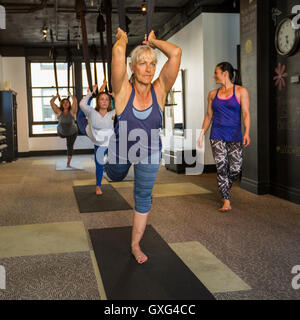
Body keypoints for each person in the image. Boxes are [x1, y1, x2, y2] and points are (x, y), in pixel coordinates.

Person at [104, 28, 181, 264]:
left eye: (152, 63)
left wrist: (155, 42)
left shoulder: (160, 89)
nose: (148, 68)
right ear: (132, 68)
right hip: (121, 150)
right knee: (115, 177)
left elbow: (176, 53)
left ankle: (135, 244)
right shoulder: (122, 91)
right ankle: (111, 165)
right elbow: (118, 53)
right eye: (142, 63)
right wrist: (123, 39)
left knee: (143, 196)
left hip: (150, 151)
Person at [197, 62, 251, 212]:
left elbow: (246, 113)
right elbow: (209, 116)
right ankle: (226, 200)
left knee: (235, 169)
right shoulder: (213, 94)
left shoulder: (241, 91)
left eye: (216, 73)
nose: (214, 75)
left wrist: (247, 132)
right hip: (217, 134)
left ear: (225, 73)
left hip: (234, 135)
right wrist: (201, 133)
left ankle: (224, 187)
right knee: (221, 167)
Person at [78, 80, 115, 195]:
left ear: (109, 102)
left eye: (107, 99)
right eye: (101, 99)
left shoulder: (113, 113)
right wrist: (90, 94)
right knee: (80, 115)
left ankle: (98, 185)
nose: (104, 102)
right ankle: (98, 186)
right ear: (98, 102)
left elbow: (125, 106)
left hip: (105, 142)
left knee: (99, 164)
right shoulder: (92, 112)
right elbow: (82, 105)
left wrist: (115, 96)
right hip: (88, 130)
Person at [50, 93, 78, 167]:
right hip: (61, 132)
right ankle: (60, 131)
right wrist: (56, 96)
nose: (65, 104)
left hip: (72, 132)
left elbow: (75, 101)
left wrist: (71, 95)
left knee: (70, 146)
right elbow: (51, 102)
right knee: (61, 131)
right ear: (61, 104)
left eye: (67, 102)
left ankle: (68, 163)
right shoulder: (59, 112)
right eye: (64, 102)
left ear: (69, 104)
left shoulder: (72, 112)